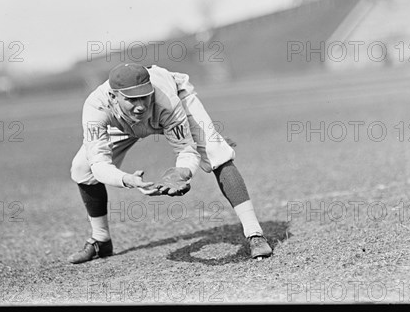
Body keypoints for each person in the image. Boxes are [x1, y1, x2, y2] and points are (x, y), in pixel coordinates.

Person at [68, 63, 272, 263]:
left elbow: (186, 150)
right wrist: (128, 180)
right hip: (120, 123)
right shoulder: (96, 107)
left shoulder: (166, 99)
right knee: (82, 168)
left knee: (216, 151)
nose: (140, 106)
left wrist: (181, 172)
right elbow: (99, 165)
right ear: (113, 96)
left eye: (144, 96)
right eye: (132, 99)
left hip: (170, 107)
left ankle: (254, 234)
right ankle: (101, 239)